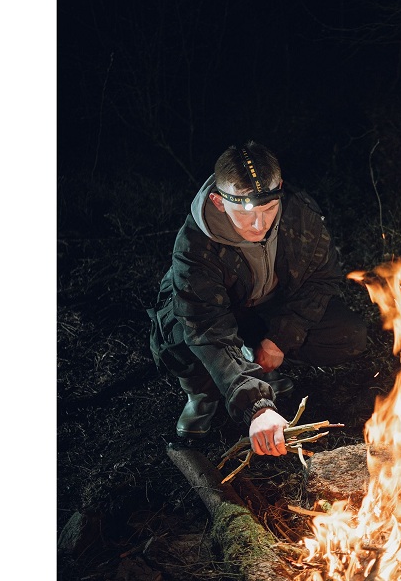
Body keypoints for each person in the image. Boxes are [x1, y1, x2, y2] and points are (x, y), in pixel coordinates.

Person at [148, 141, 367, 457]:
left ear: (280, 189)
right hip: (209, 318)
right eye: (245, 213)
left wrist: (280, 338)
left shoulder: (300, 213)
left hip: (266, 308)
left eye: (269, 209)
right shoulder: (194, 246)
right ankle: (204, 394)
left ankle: (258, 360)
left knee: (347, 333)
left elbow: (321, 280)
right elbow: (206, 328)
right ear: (219, 201)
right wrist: (258, 406)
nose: (259, 225)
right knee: (182, 340)